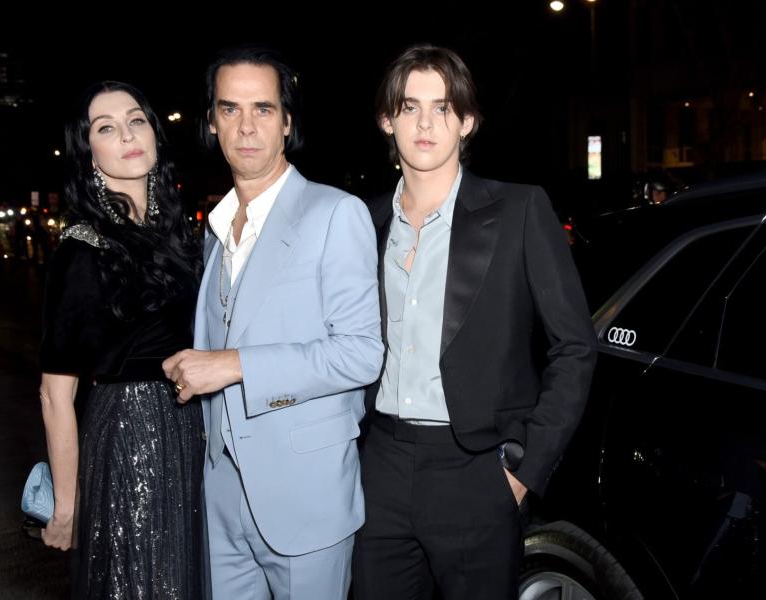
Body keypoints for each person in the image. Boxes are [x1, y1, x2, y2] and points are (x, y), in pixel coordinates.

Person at [352, 45, 598, 599]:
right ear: (387, 120)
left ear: (467, 121)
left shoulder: (519, 210)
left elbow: (575, 347)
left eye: (443, 108)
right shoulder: (360, 222)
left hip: (477, 471)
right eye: (409, 106)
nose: (425, 123)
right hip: (380, 464)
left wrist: (524, 470)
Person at [162, 46, 383, 600]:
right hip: (221, 496)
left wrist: (233, 366)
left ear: (287, 121)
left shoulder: (336, 213)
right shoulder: (214, 231)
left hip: (305, 498)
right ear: (211, 123)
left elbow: (361, 353)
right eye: (229, 109)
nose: (246, 126)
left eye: (263, 108)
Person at [38, 81, 204, 599]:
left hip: (189, 429)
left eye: (137, 120)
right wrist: (67, 506)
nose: (128, 135)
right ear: (90, 153)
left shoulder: (179, 231)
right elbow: (54, 393)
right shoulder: (83, 248)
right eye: (106, 128)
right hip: (130, 432)